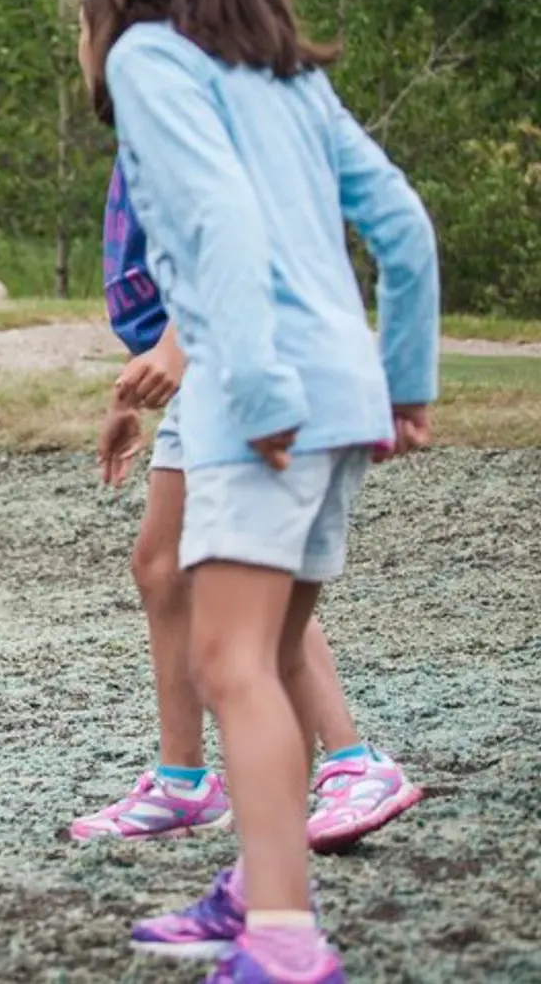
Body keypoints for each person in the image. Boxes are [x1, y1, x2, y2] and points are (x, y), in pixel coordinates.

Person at [74, 0, 439, 984]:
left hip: (261, 399)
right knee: (274, 656)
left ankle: (282, 941)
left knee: (229, 663)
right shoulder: (288, 74)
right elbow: (401, 227)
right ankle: (255, 885)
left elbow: (220, 224)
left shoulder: (148, 59)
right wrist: (405, 380)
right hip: (344, 399)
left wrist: (261, 390)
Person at [68, 159, 423, 854]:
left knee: (246, 575)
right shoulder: (145, 120)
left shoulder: (183, 105)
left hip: (238, 350)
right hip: (198, 354)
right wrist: (135, 385)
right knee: (162, 565)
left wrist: (177, 346)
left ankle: (353, 763)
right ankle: (184, 783)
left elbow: (235, 229)